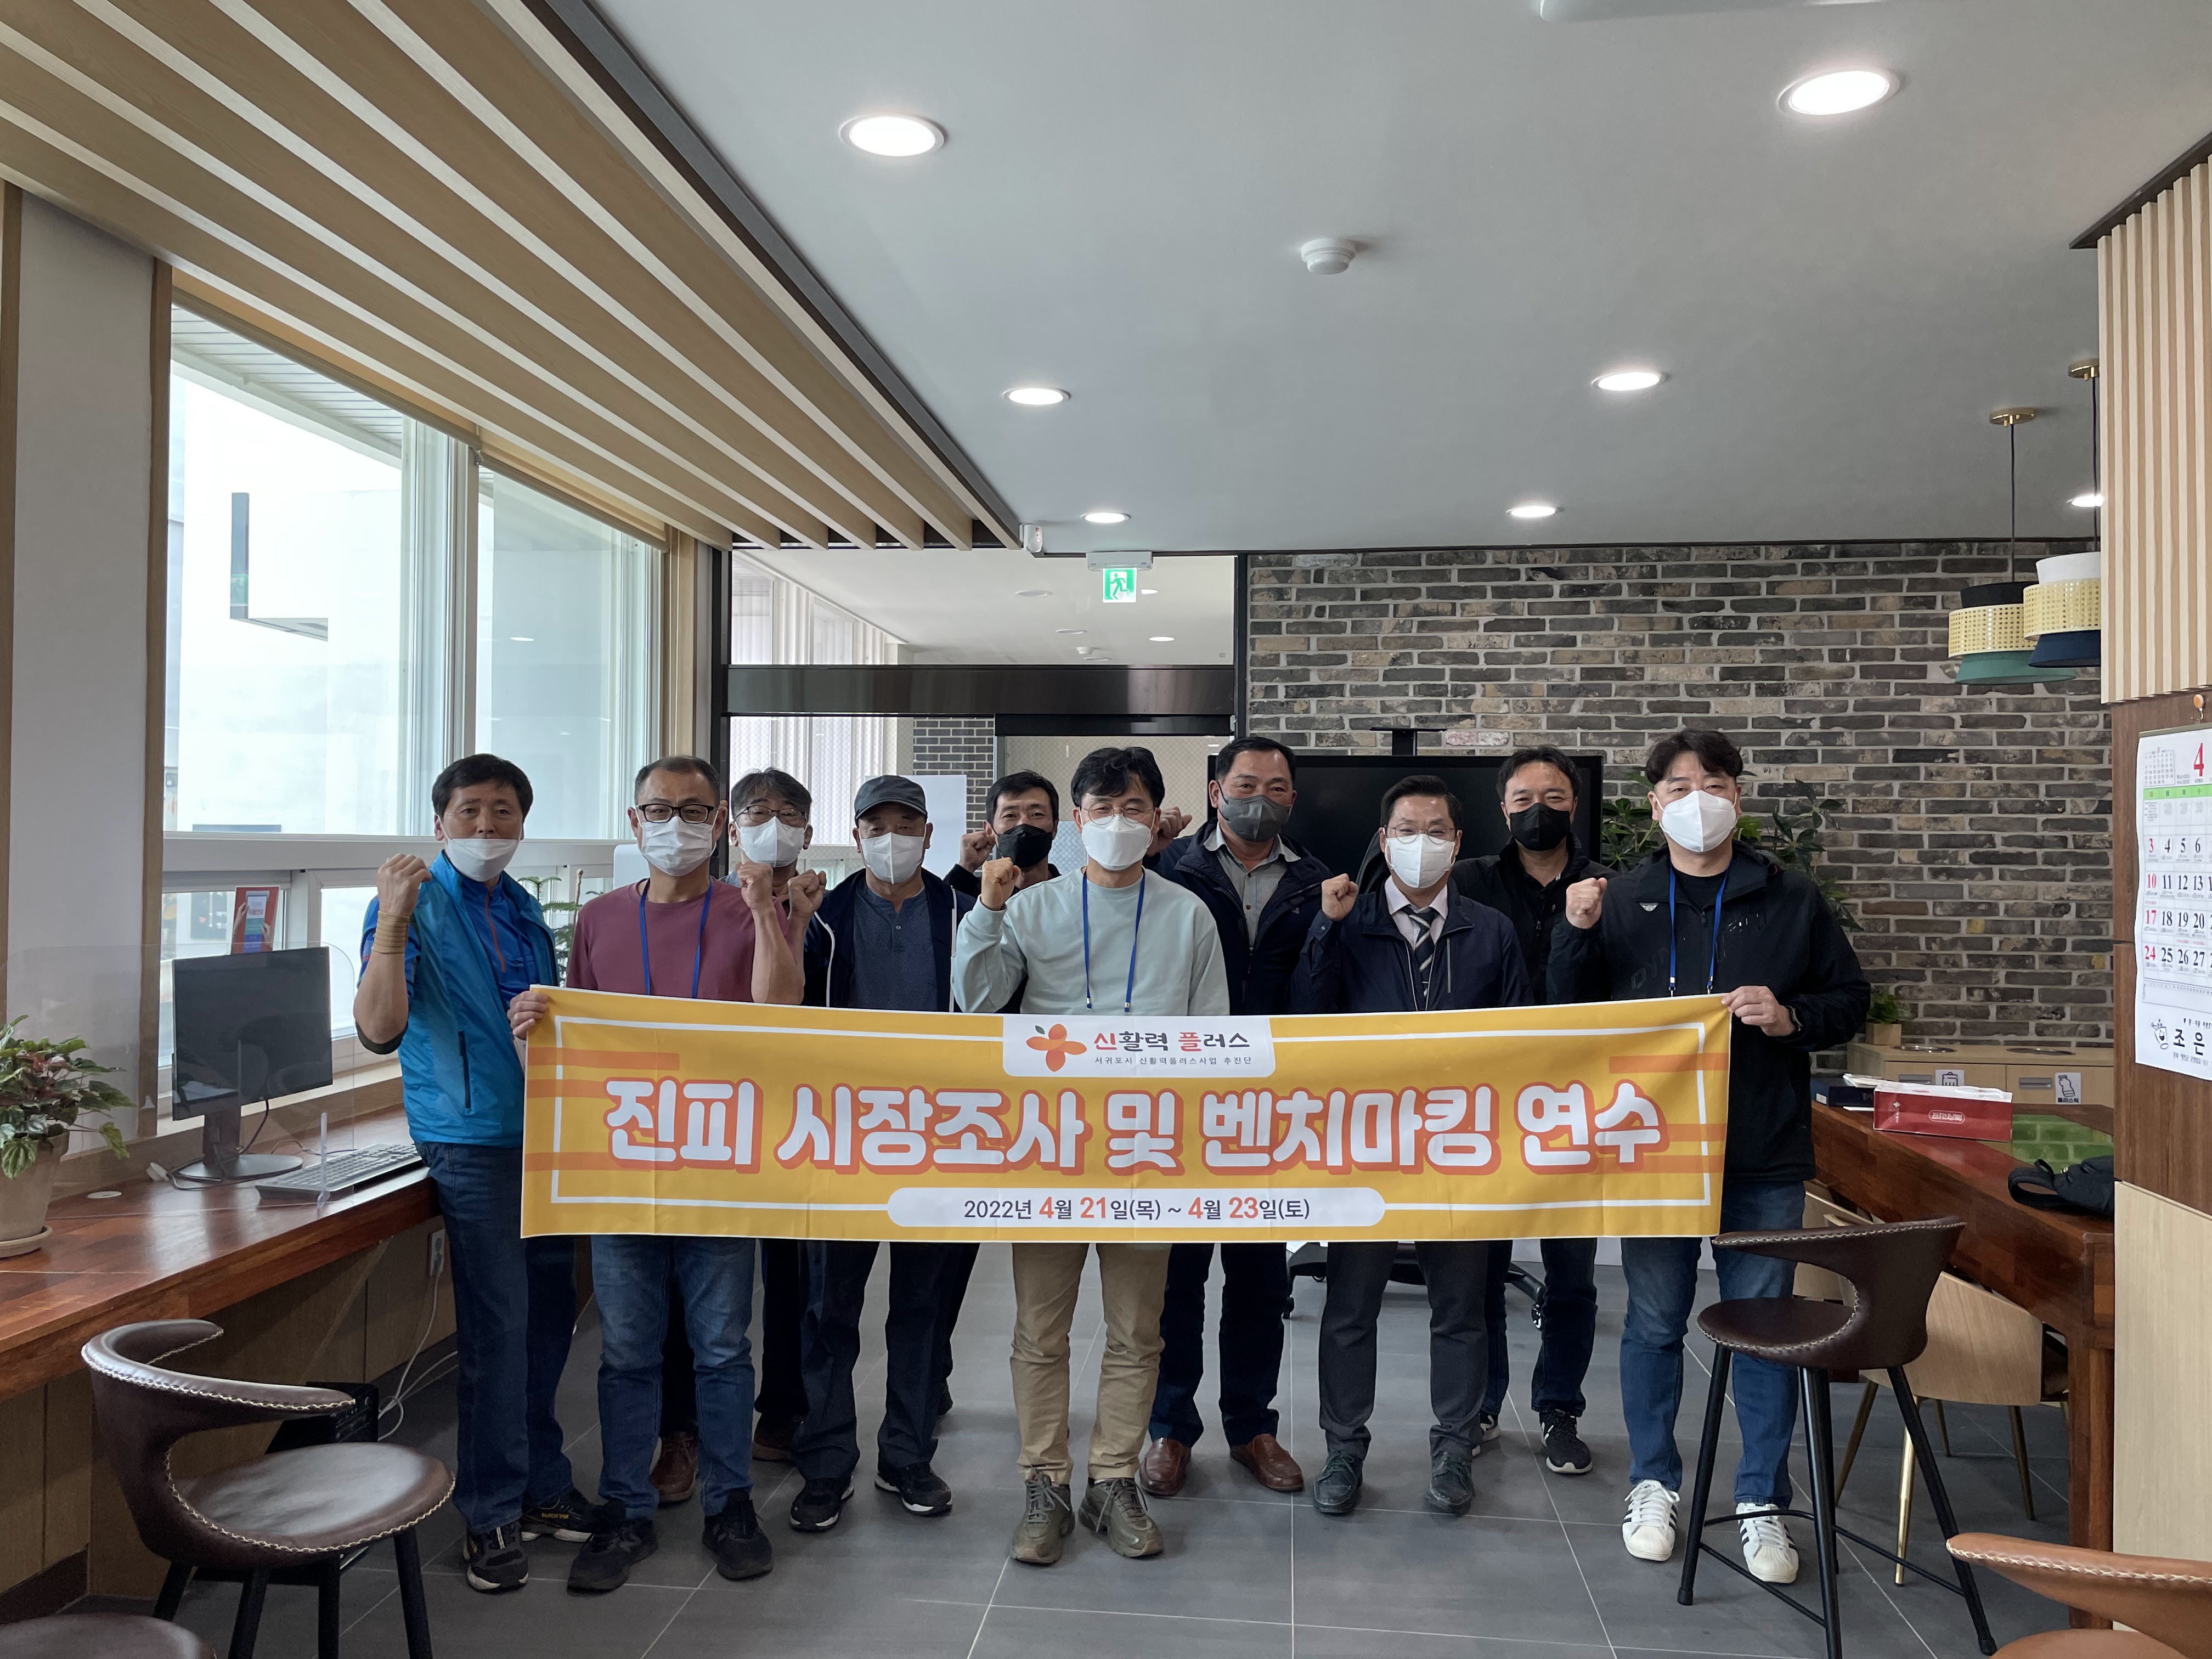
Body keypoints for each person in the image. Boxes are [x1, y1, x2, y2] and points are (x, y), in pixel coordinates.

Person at [1549, 729, 1869, 1585]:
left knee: (1764, 1329)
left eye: (1716, 783)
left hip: (1761, 1150)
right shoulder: (1621, 898)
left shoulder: (1789, 897)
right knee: (1654, 1323)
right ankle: (1654, 1482)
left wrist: (1791, 1016)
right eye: (1681, 787)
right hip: (1654, 1152)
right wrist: (1575, 932)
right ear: (1655, 805)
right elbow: (1564, 1016)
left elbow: (1850, 999)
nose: (1700, 800)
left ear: (1739, 795)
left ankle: (1762, 1498)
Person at [508, 757, 822, 1593]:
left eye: (692, 811)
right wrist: (532, 1030)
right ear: (633, 819)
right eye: (658, 810)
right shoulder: (601, 920)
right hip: (626, 1174)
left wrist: (766, 913)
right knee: (627, 1352)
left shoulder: (751, 909)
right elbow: (577, 1043)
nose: (673, 825)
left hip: (722, 1170)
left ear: (720, 824)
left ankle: (730, 1504)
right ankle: (625, 1509)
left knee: (722, 1348)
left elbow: (781, 1012)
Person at [952, 746, 1229, 1568]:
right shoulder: (1031, 908)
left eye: (1133, 807)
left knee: (1137, 1333)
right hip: (1053, 1150)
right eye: (1101, 809)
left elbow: (1215, 1039)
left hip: (1150, 1153)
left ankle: (1113, 1479)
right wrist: (988, 910)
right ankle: (1044, 1483)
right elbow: (976, 1005)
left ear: (1157, 816)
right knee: (1041, 1330)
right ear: (1076, 821)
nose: (1117, 822)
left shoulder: (1188, 914)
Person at [354, 754, 594, 1594]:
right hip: (469, 1140)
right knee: (499, 1328)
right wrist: (393, 918)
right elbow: (379, 1030)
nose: (486, 826)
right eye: (469, 811)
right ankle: (489, 1508)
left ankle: (540, 1486)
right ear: (440, 823)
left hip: (545, 1136)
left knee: (549, 1318)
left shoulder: (523, 907)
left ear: (522, 824)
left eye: (502, 811)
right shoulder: (410, 905)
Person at [1295, 774, 1529, 1521]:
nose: (1420, 843)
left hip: (1460, 1150)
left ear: (1457, 844)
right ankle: (1343, 1449)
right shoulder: (1349, 919)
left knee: (1461, 1309)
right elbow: (1304, 1022)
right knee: (1350, 1308)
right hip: (1366, 1149)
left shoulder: (1491, 930)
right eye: (1406, 830)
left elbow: (1523, 1040)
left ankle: (1455, 1448)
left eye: (1435, 831)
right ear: (1383, 839)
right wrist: (1325, 928)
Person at [787, 775, 979, 1533]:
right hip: (842, 1141)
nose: (891, 838)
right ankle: (826, 1461)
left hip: (939, 1140)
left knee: (922, 1309)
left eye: (906, 825)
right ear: (856, 835)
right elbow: (779, 1010)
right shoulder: (824, 917)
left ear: (929, 836)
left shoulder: (964, 912)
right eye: (877, 826)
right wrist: (788, 920)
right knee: (828, 1309)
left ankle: (907, 1455)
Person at [1138, 736, 1328, 1500]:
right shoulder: (1168, 870)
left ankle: (1253, 1427)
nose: (1261, 798)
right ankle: (1169, 1429)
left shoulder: (1317, 882)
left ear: (1293, 799)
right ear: (1216, 792)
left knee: (1258, 1280)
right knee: (1176, 1280)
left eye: (1276, 788)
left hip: (1268, 1111)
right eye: (1246, 784)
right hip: (1180, 1104)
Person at [1450, 746, 1611, 1480]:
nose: (1537, 810)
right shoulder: (1469, 882)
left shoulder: (1611, 887)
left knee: (1571, 1271)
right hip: (1487, 1104)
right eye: (1522, 799)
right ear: (1502, 808)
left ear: (1574, 805)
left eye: (1553, 797)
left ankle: (1559, 1409)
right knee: (1481, 1267)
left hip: (1578, 1106)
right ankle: (1484, 1403)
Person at [727, 768, 820, 1466]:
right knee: (717, 1283)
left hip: (811, 1120)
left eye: (788, 814)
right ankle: (693, 1427)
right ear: (733, 829)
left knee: (796, 1277)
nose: (774, 825)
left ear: (808, 832)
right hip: (724, 1120)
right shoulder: (709, 905)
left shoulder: (828, 908)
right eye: (759, 813)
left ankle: (791, 1407)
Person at [946, 769, 1064, 899]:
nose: (1023, 824)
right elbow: (941, 907)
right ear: (990, 830)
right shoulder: (974, 895)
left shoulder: (1072, 895)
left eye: (1037, 814)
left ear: (1055, 827)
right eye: (1010, 815)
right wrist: (966, 866)